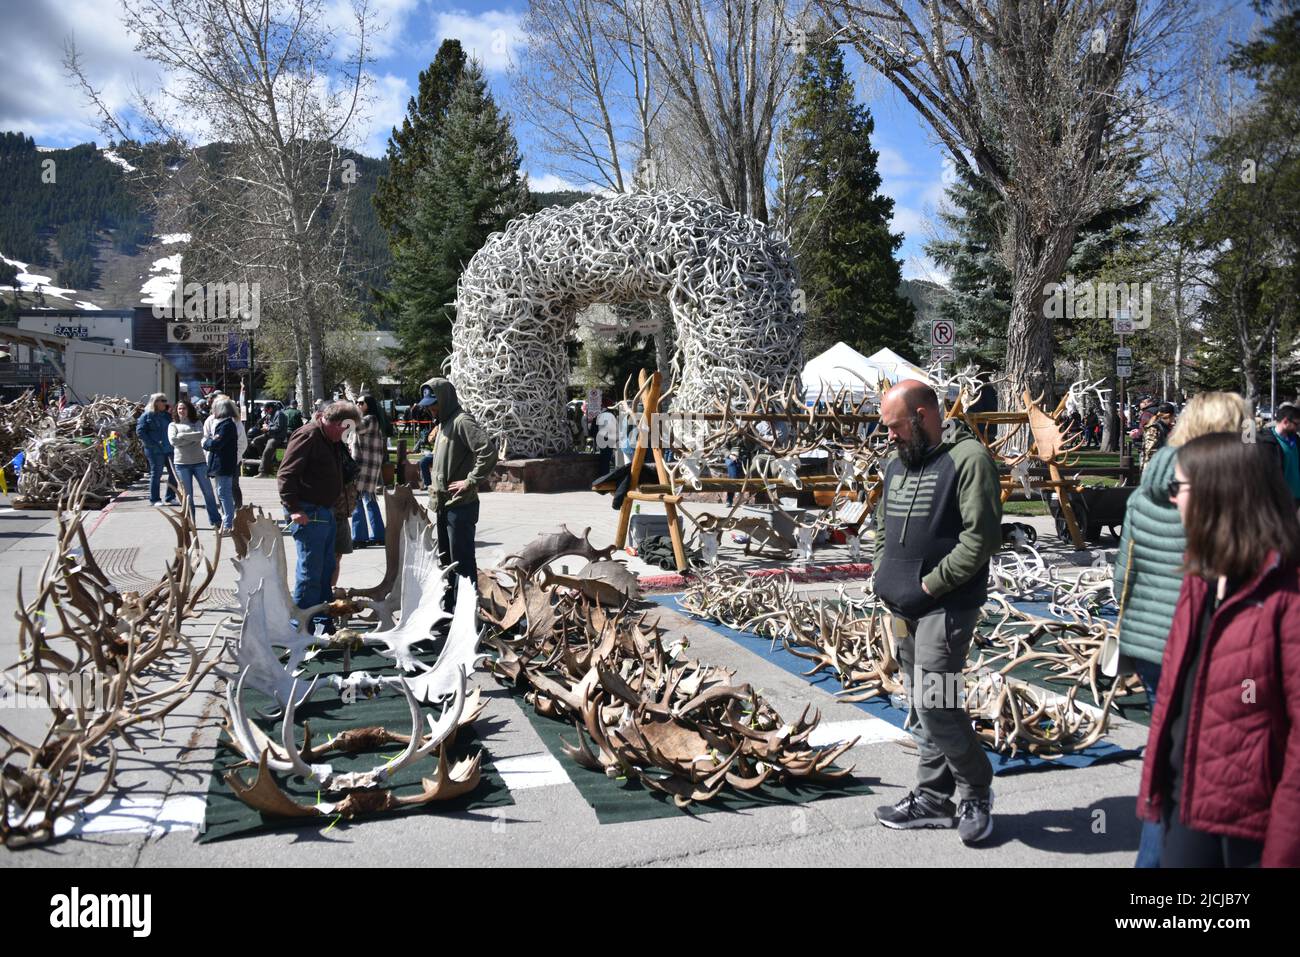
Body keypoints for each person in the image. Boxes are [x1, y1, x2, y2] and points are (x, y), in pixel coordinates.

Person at [1137, 432, 1300, 867]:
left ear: (1217, 495)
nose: (1174, 502)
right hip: (1185, 799)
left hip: (1249, 825)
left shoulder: (1286, 597)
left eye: (1179, 488)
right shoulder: (1201, 577)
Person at [1113, 390, 1250, 867]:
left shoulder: (1145, 489)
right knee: (1187, 766)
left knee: (1164, 753)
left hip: (1149, 643)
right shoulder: (1225, 491)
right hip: (1202, 643)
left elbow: (1122, 573)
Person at [871, 380, 1002, 845]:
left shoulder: (969, 461)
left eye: (895, 426)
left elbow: (980, 539)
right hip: (901, 607)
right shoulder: (898, 463)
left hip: (946, 609)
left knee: (936, 701)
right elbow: (883, 526)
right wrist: (882, 572)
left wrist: (929, 584)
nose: (889, 436)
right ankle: (932, 797)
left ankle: (976, 788)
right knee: (920, 706)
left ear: (925, 415)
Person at [278, 400, 360, 632]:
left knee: (325, 569)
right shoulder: (309, 436)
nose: (347, 434)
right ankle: (300, 625)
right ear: (335, 423)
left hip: (325, 511)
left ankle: (322, 619)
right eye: (347, 429)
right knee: (310, 572)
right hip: (309, 512)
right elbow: (286, 474)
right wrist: (294, 508)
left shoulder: (328, 438)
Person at [420, 378, 498, 609]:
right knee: (447, 561)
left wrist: (470, 480)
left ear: (445, 399)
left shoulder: (462, 421)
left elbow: (488, 452)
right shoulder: (444, 423)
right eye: (428, 404)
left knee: (461, 561)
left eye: (434, 404)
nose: (430, 408)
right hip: (444, 505)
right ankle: (451, 607)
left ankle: (465, 609)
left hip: (460, 506)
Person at [168, 399, 222, 528]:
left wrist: (182, 436)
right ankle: (190, 522)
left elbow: (200, 436)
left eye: (184, 408)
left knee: (208, 492)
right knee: (188, 496)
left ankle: (215, 520)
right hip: (181, 463)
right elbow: (173, 441)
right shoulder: (172, 425)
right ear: (176, 410)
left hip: (199, 462)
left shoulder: (197, 422)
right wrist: (189, 439)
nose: (182, 411)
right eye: (180, 408)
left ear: (189, 409)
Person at [349, 394, 391, 547]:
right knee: (369, 500)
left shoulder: (370, 419)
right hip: (368, 466)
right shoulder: (373, 419)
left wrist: (351, 411)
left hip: (362, 467)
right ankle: (378, 535)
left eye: (360, 403)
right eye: (356, 402)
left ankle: (359, 537)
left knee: (357, 500)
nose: (358, 405)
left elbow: (355, 427)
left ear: (368, 405)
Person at [201, 397, 241, 533]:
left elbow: (215, 444)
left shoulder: (226, 425)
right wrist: (209, 441)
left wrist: (206, 442)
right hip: (220, 464)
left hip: (224, 465)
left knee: (224, 493)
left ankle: (228, 524)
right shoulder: (222, 424)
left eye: (214, 407)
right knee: (222, 493)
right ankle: (227, 521)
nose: (212, 410)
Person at [136, 393, 179, 507]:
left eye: (165, 400)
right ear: (155, 402)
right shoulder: (147, 416)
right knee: (156, 474)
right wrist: (152, 444)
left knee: (175, 473)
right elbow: (140, 432)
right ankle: (154, 499)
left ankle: (170, 497)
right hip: (155, 450)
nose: (165, 403)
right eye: (163, 400)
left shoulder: (167, 415)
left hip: (169, 448)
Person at [1257, 403, 1300, 504]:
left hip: (1296, 498)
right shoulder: (1266, 442)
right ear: (1285, 422)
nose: (1298, 428)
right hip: (1279, 499)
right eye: (1296, 424)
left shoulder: (1296, 440)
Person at [255, 401, 289, 478]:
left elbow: (278, 427)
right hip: (270, 434)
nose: (266, 412)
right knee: (256, 440)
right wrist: (265, 425)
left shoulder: (279, 414)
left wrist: (268, 428)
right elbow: (269, 424)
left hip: (277, 436)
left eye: (267, 410)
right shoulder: (270, 415)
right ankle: (266, 458)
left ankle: (263, 472)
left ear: (271, 408)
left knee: (267, 450)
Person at [1142, 402, 1175, 468]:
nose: (1174, 418)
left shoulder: (1166, 427)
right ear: (1169, 415)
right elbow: (1150, 450)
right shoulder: (1154, 428)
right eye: (1173, 415)